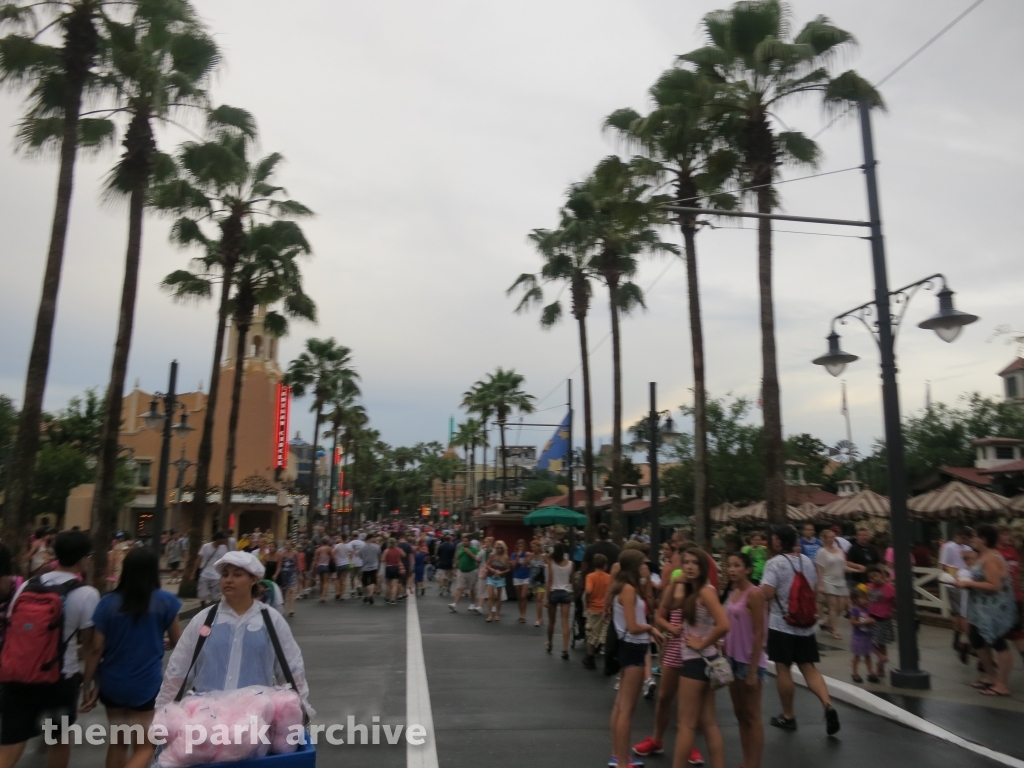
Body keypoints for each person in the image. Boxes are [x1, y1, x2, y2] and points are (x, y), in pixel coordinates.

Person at [126, 552, 313, 768]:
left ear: (253, 579)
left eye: (237, 574)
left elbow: (292, 669)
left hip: (254, 729)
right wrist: (163, 714)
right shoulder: (204, 620)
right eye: (225, 575)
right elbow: (178, 671)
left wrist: (301, 712)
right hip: (205, 729)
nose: (228, 579)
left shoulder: (271, 621)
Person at [0, 531, 100, 768]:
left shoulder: (27, 586)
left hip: (20, 676)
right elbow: (91, 646)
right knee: (59, 739)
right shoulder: (87, 594)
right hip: (60, 678)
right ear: (84, 559)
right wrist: (89, 683)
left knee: (11, 741)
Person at [82, 548, 182, 768]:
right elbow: (180, 642)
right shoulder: (165, 601)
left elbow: (96, 647)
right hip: (145, 684)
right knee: (144, 747)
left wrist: (88, 682)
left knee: (118, 742)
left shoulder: (107, 603)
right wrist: (164, 641)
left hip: (112, 683)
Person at [760, 525, 840, 735]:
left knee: (783, 668)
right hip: (805, 626)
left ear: (778, 541)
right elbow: (813, 588)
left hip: (781, 624)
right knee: (809, 668)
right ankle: (827, 704)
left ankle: (788, 716)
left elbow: (767, 593)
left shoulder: (774, 564)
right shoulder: (806, 561)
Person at [660, 548, 729, 768]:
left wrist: (701, 643)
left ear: (703, 567)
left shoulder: (706, 592)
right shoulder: (693, 590)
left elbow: (724, 625)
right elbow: (668, 604)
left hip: (697, 661)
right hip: (702, 661)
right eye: (686, 562)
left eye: (694, 563)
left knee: (687, 725)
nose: (689, 566)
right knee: (708, 723)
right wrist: (676, 581)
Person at [609, 549, 664, 768]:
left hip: (627, 647)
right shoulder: (629, 589)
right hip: (633, 647)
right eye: (643, 564)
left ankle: (618, 755)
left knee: (621, 704)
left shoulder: (624, 587)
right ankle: (623, 761)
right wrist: (651, 628)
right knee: (627, 709)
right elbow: (633, 626)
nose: (646, 567)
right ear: (635, 566)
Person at [958, 524, 1019, 697]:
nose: (973, 540)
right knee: (976, 638)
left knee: (998, 643)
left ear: (983, 539)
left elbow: (994, 586)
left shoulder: (991, 558)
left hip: (994, 609)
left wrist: (968, 583)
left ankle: (1001, 685)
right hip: (981, 608)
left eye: (975, 537)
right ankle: (991, 676)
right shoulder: (984, 556)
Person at [723, 552, 766, 768]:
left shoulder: (754, 594)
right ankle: (746, 760)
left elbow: (759, 632)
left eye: (737, 565)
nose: (732, 569)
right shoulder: (733, 591)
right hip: (731, 658)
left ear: (747, 569)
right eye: (730, 565)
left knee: (752, 715)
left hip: (749, 661)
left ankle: (754, 764)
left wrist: (752, 671)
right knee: (740, 714)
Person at [814, 528, 850, 640]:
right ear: (824, 539)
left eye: (833, 537)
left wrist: (857, 569)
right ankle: (835, 630)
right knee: (833, 607)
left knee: (842, 606)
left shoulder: (839, 550)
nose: (831, 539)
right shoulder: (822, 552)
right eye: (829, 537)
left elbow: (844, 566)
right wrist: (821, 584)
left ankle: (828, 622)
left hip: (841, 580)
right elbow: (820, 569)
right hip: (828, 580)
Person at [582, 553, 611, 670]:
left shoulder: (590, 577)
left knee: (592, 634)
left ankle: (590, 657)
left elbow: (588, 590)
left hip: (593, 608)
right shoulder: (609, 577)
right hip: (606, 609)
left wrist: (587, 601)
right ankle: (605, 654)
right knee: (604, 633)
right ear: (605, 565)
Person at [546, 542, 574, 659]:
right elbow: (572, 580)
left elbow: (550, 580)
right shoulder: (571, 564)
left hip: (554, 592)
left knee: (552, 621)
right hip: (565, 592)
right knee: (565, 622)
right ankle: (565, 648)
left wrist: (546, 597)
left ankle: (550, 643)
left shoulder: (551, 563)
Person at [848, 589, 875, 683]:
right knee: (857, 656)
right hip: (858, 636)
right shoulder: (855, 609)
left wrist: (871, 621)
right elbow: (853, 622)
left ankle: (871, 672)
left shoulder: (866, 609)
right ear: (855, 600)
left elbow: (868, 619)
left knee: (868, 655)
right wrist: (864, 622)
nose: (865, 600)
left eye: (866, 598)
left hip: (866, 635)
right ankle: (855, 673)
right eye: (862, 598)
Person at [449, 535, 479, 612]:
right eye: (463, 541)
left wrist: (469, 552)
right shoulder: (461, 549)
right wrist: (455, 566)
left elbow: (476, 558)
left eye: (466, 541)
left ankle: (472, 603)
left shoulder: (474, 549)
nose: (464, 542)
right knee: (460, 588)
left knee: (472, 588)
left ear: (469, 542)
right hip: (462, 571)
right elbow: (457, 557)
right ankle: (455, 604)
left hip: (471, 571)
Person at [484, 541, 511, 622]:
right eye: (497, 547)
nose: (499, 549)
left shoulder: (505, 557)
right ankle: (490, 615)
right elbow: (487, 565)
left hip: (500, 578)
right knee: (491, 596)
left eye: (500, 548)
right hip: (491, 577)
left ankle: (497, 614)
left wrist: (501, 572)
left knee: (498, 597)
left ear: (503, 548)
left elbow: (508, 569)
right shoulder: (492, 555)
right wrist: (491, 569)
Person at [277, 540, 300, 617]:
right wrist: (277, 574)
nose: (287, 546)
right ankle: (283, 607)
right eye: (286, 544)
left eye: (289, 544)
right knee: (284, 591)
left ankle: (291, 608)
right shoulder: (282, 554)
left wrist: (300, 573)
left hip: (292, 572)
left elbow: (298, 563)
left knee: (291, 590)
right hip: (284, 573)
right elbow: (280, 565)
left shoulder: (295, 553)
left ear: (291, 545)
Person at [510, 539, 531, 623]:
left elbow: (526, 564)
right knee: (519, 597)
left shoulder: (527, 554)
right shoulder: (513, 555)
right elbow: (514, 566)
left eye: (522, 546)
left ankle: (524, 614)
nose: (520, 547)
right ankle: (521, 614)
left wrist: (526, 556)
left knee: (523, 596)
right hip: (517, 577)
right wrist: (517, 557)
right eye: (519, 546)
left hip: (525, 576)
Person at [529, 539, 547, 627]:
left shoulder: (544, 556)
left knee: (539, 599)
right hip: (533, 580)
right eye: (532, 547)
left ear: (539, 547)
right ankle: (541, 617)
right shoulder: (531, 555)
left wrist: (544, 566)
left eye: (534, 546)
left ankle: (538, 619)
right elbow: (525, 564)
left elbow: (550, 566)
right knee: (537, 600)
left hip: (541, 580)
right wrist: (528, 557)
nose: (533, 548)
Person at [359, 534, 381, 605]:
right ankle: (371, 595)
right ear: (371, 538)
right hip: (374, 566)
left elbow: (361, 557)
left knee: (364, 582)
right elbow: (379, 556)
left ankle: (366, 595)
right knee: (373, 581)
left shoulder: (362, 548)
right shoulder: (377, 547)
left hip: (365, 566)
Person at [383, 537, 406, 605]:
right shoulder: (399, 550)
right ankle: (393, 599)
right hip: (396, 567)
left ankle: (387, 598)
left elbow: (383, 559)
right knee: (395, 585)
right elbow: (404, 555)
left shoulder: (386, 550)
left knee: (388, 584)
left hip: (388, 567)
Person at [314, 539, 333, 603]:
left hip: (319, 566)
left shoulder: (318, 550)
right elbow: (332, 557)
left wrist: (314, 567)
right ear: (327, 542)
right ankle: (323, 596)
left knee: (321, 581)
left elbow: (315, 559)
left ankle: (321, 594)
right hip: (326, 566)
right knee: (326, 582)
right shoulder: (329, 549)